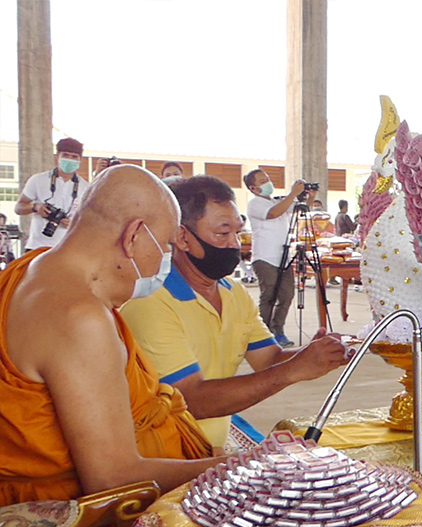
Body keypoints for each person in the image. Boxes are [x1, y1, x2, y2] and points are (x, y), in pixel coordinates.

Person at [0, 165, 222, 527]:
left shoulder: (32, 267)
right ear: (133, 236)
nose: (166, 262)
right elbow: (112, 479)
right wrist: (234, 467)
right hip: (80, 523)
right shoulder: (78, 317)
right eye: (166, 246)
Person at [120, 175, 347, 450]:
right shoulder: (150, 303)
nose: (234, 244)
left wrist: (314, 354)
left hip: (212, 447)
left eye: (237, 233)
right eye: (222, 233)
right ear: (182, 237)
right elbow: (192, 400)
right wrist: (292, 370)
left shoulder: (233, 292)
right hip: (166, 455)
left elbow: (268, 359)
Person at [241, 169, 312, 347]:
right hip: (265, 257)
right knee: (269, 296)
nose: (268, 183)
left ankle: (278, 330)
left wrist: (308, 194)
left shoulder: (277, 201)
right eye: (262, 181)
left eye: (267, 179)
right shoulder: (255, 204)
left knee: (287, 294)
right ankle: (262, 334)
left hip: (283, 258)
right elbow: (273, 213)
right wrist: (293, 193)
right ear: (253, 188)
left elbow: (299, 209)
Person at [15, 137, 90, 252]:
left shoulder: (86, 187)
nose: (69, 159)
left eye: (74, 157)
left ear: (80, 159)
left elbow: (89, 220)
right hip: (37, 247)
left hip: (69, 249)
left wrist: (75, 223)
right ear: (57, 156)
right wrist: (35, 207)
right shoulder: (38, 180)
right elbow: (18, 208)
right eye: (65, 155)